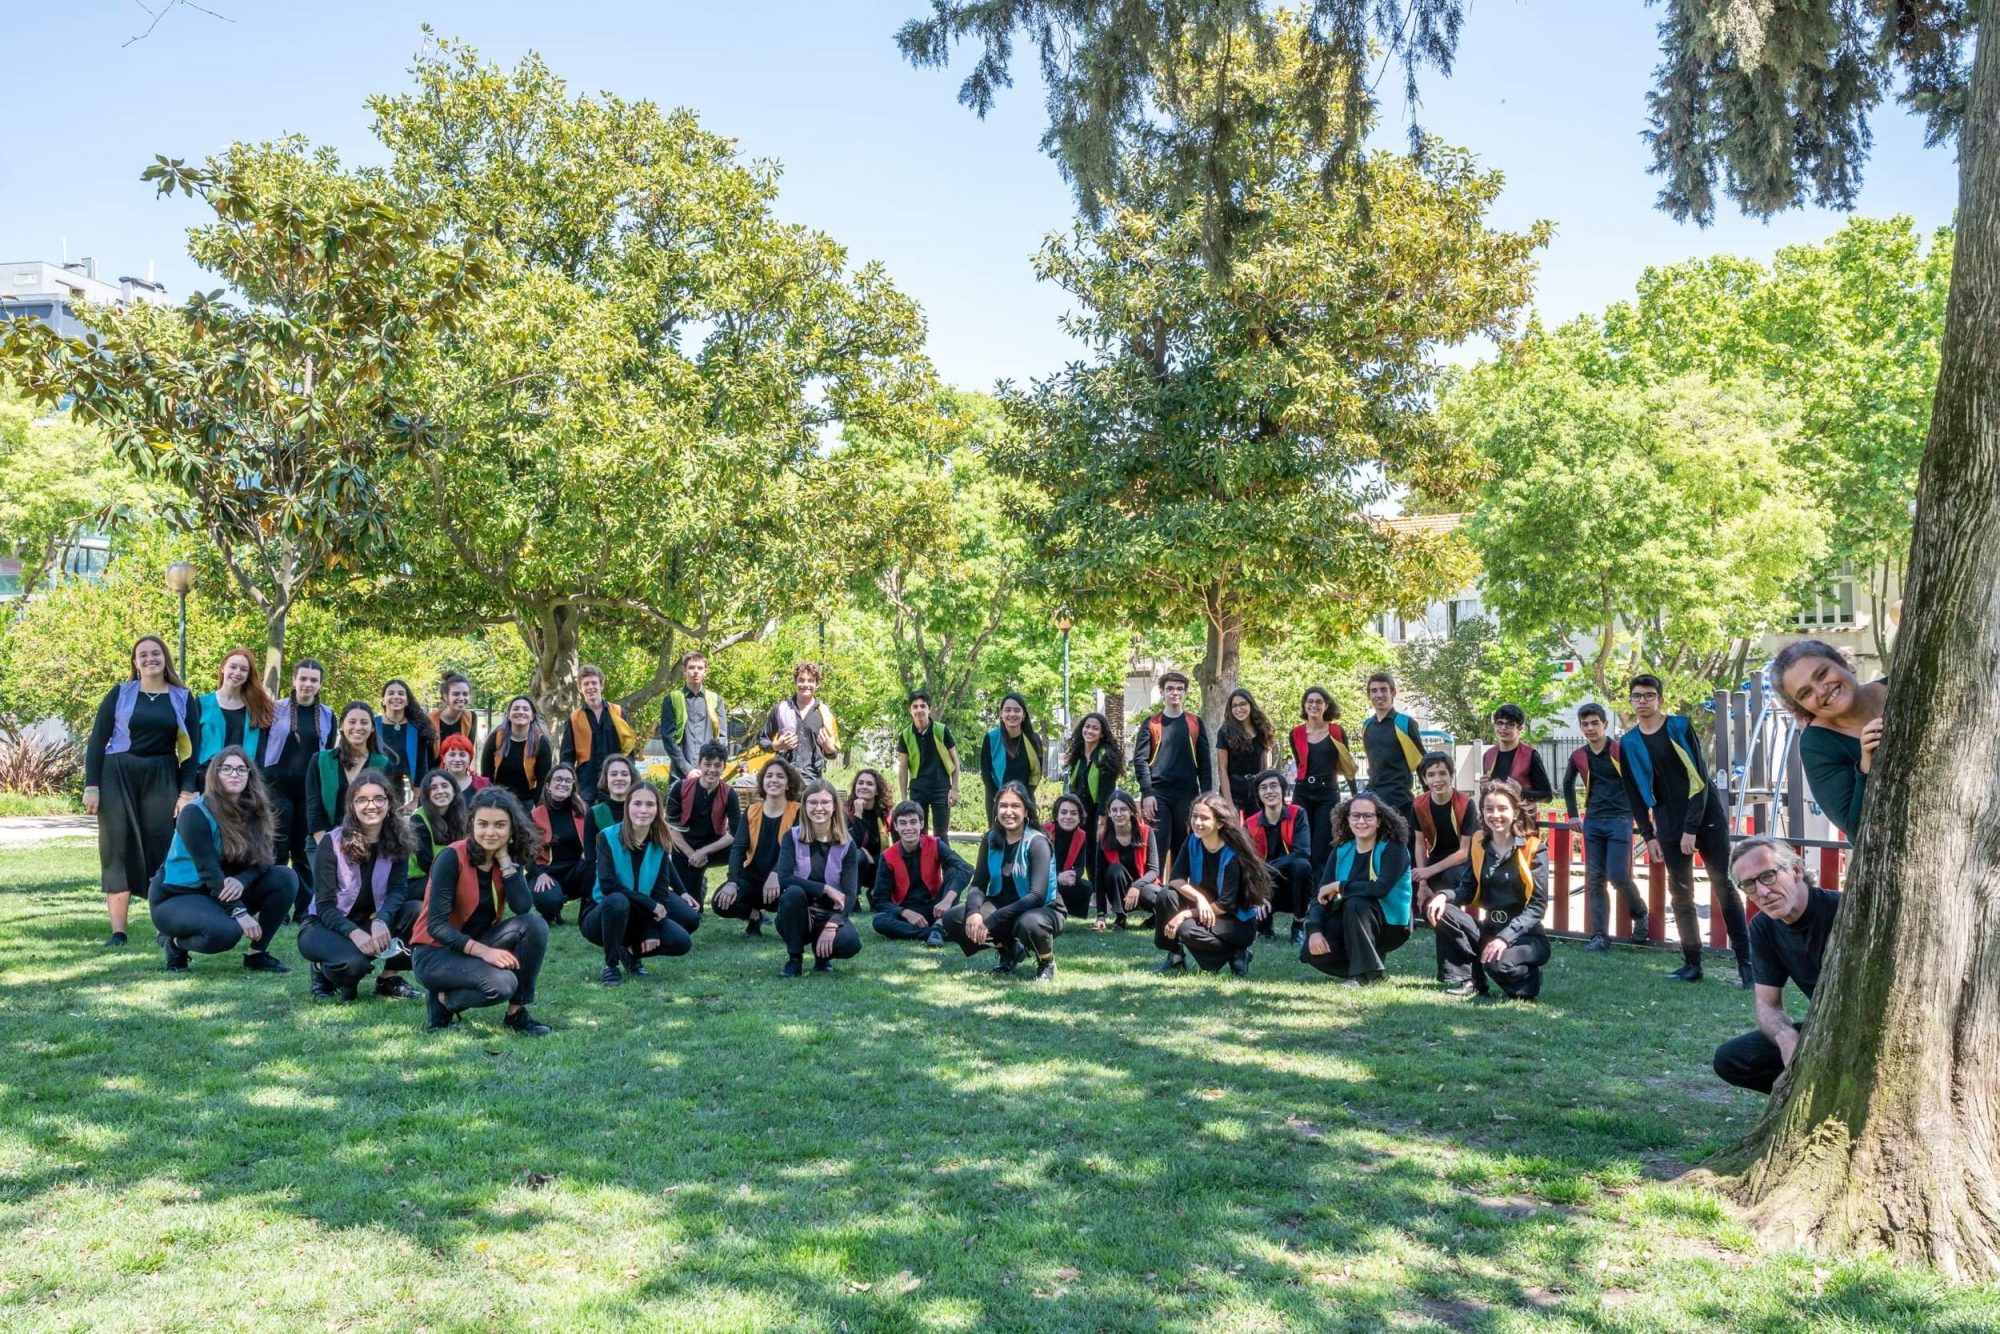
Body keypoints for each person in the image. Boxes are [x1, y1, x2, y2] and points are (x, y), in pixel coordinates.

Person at [1620, 673, 1751, 985]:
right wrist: (1649, 835)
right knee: (1680, 894)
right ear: (1631, 700)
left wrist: (1691, 828)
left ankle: (1747, 963)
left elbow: (1700, 778)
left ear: (1660, 699)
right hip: (1667, 822)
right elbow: (1634, 794)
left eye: (1649, 695)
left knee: (1724, 888)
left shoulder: (1679, 726)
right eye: (1637, 696)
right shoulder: (1628, 743)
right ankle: (1692, 963)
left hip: (1705, 816)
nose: (1642, 701)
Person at [84, 635, 201, 946]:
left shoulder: (182, 697)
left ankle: (164, 927)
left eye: (156, 653)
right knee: (116, 848)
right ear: (135, 662)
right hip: (117, 776)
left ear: (165, 658)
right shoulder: (119, 694)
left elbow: (192, 750)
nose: (150, 659)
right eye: (143, 655)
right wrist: (91, 786)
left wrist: (187, 792)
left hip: (163, 776)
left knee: (163, 847)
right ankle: (118, 932)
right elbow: (97, 741)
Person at [411, 788, 552, 1036]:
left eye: (500, 825)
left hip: (474, 942)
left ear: (511, 829)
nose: (490, 832)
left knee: (534, 925)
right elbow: (436, 926)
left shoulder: (507, 858)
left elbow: (522, 907)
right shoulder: (451, 857)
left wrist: (506, 860)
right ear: (472, 824)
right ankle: (443, 1002)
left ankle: (516, 1015)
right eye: (483, 824)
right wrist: (485, 952)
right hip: (435, 953)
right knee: (503, 984)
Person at [148, 746, 297, 975]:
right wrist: (239, 913)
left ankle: (257, 955)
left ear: (250, 774)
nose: (234, 774)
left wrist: (243, 880)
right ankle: (174, 944)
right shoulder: (194, 813)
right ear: (214, 775)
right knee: (226, 933)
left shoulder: (254, 810)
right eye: (226, 769)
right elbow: (209, 870)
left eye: (240, 769)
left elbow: (265, 860)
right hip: (177, 897)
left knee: (285, 878)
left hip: (217, 892)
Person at [1712, 836, 1842, 1095]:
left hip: (1871, 1029)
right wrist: (1785, 1037)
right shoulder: (1763, 927)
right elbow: (1768, 1005)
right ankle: (1811, 1100)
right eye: (1748, 885)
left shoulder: (1842, 912)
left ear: (1795, 871)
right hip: (1825, 1027)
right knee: (1731, 1059)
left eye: (1768, 876)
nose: (1761, 892)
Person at [299, 769, 424, 1002]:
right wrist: (354, 933)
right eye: (362, 800)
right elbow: (325, 905)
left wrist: (381, 920)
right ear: (352, 805)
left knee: (416, 911)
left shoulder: (398, 840)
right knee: (356, 965)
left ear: (389, 803)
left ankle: (389, 978)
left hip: (367, 920)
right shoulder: (331, 842)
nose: (371, 805)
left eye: (379, 798)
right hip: (324, 924)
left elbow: (398, 890)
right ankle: (321, 970)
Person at [1424, 779, 1551, 1000]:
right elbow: (1467, 890)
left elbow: (1537, 906)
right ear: (1482, 812)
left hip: (1526, 936)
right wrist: (1444, 895)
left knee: (1497, 964)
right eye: (1489, 809)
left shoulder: (1534, 848)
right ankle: (1473, 980)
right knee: (1441, 910)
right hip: (1489, 928)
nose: (1495, 815)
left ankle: (1530, 980)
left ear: (1515, 811)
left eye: (1502, 808)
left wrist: (1504, 938)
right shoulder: (1478, 843)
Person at [943, 781, 1061, 982]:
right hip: (1003, 903)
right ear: (996, 809)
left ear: (1026, 811)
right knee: (953, 919)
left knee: (1029, 924)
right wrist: (973, 913)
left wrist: (990, 921)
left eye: (1015, 806)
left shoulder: (1038, 842)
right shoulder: (990, 838)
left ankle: (1046, 961)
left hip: (1042, 908)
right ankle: (1010, 950)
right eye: (1003, 806)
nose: (1009, 811)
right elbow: (979, 883)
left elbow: (1037, 896)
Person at [1771, 639, 1885, 844]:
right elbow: (1857, 830)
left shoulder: (1904, 685)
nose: (1821, 691)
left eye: (1822, 674)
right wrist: (1867, 766)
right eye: (1805, 693)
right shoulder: (1817, 745)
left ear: (1843, 663)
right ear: (1799, 707)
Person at [585, 780, 695, 985]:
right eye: (637, 804)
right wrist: (651, 905)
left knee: (681, 942)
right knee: (618, 900)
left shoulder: (660, 842)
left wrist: (649, 929)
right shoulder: (606, 837)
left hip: (639, 914)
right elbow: (608, 885)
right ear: (627, 807)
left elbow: (660, 891)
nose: (643, 810)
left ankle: (630, 952)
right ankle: (611, 966)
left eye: (650, 804)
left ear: (657, 809)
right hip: (603, 913)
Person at [1299, 793, 1413, 985]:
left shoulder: (1394, 848)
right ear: (1347, 819)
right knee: (1310, 951)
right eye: (1355, 816)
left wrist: (1340, 886)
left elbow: (1380, 889)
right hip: (1350, 921)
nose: (1361, 821)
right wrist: (1314, 930)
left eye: (1368, 816)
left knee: (1356, 902)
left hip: (1391, 925)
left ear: (1379, 820)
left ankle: (1363, 974)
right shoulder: (1341, 850)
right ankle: (1369, 966)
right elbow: (1321, 895)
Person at [1152, 791, 1270, 976]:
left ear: (1219, 823)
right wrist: (1199, 898)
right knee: (1166, 895)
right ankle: (1175, 957)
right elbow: (1176, 879)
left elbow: (1226, 904)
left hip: (1234, 921)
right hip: (1206, 909)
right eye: (1195, 816)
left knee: (1187, 930)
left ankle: (1237, 953)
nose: (1197, 822)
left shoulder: (1233, 855)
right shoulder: (1192, 841)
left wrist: (1185, 914)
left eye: (1204, 818)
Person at [1563, 703, 1648, 950]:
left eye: (1595, 723)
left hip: (1620, 819)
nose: (1590, 728)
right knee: (1595, 879)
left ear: (1605, 724)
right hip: (1593, 822)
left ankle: (1640, 913)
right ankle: (1600, 935)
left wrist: (1645, 818)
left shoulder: (1620, 751)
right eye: (1585, 724)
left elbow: (1640, 781)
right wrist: (1572, 815)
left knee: (1618, 875)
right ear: (1580, 727)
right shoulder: (1579, 755)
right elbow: (1567, 784)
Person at [257, 659, 332, 918]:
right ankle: (276, 907)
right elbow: (262, 747)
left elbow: (330, 756)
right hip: (276, 787)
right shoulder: (274, 709)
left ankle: (303, 910)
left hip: (310, 791)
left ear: (320, 683)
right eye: (303, 678)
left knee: (303, 851)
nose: (308, 684)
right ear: (294, 680)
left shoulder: (328, 714)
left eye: (314, 680)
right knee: (278, 849)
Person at [775, 779, 863, 976]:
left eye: (825, 802)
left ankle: (823, 957)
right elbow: (785, 878)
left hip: (828, 913)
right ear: (805, 806)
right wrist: (825, 888)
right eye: (813, 802)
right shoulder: (792, 836)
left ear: (834, 807)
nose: (819, 808)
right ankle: (794, 959)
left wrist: (834, 924)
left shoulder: (847, 845)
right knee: (793, 893)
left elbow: (850, 893)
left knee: (850, 943)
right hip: (799, 913)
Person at [1131, 671, 1213, 875]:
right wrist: (1147, 792)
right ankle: (1154, 890)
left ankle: (1178, 890)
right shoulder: (1152, 723)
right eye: (1170, 689)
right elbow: (1140, 761)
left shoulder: (1195, 723)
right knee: (1158, 843)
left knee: (1183, 843)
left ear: (1185, 692)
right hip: (1158, 795)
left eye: (1179, 689)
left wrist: (1206, 797)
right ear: (1162, 692)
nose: (1174, 693)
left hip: (1188, 794)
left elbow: (1204, 763)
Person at [713, 758, 803, 934]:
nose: (773, 780)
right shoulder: (752, 810)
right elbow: (738, 849)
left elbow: (796, 849)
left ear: (788, 784)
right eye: (769, 776)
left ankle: (784, 922)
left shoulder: (798, 810)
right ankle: (754, 916)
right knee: (720, 902)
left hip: (784, 878)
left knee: (795, 899)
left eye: (780, 776)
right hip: (752, 878)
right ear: (763, 781)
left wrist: (776, 873)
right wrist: (732, 882)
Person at [871, 801, 972, 945]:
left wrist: (947, 900)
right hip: (908, 911)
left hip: (937, 906)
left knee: (954, 870)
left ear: (921, 824)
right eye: (903, 823)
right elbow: (880, 901)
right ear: (896, 826)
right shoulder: (887, 856)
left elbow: (966, 868)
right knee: (879, 921)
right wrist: (905, 912)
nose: (909, 828)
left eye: (913, 822)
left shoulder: (935, 844)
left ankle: (939, 924)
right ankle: (935, 931)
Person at [1288, 686, 1359, 867]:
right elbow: (1300, 764)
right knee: (1302, 842)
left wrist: (1355, 795)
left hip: (1328, 791)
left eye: (1319, 702)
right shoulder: (1295, 733)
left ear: (1326, 705)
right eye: (1310, 701)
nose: (1314, 705)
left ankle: (1321, 890)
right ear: (1304, 706)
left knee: (1322, 845)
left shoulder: (1336, 731)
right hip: (1302, 791)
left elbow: (1347, 763)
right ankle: (1303, 887)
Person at [1245, 770, 1315, 944]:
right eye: (1263, 788)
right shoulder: (1250, 823)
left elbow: (1302, 852)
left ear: (1283, 790)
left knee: (1302, 865)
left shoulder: (1298, 813)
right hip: (1265, 885)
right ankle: (1265, 928)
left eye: (1273, 786)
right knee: (1253, 873)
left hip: (1293, 884)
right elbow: (1246, 861)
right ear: (1258, 795)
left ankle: (1298, 925)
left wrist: (1267, 868)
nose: (1269, 791)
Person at [667, 742, 740, 907]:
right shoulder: (680, 787)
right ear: (699, 764)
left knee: (746, 853)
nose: (712, 770)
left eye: (717, 765)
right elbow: (672, 826)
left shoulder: (729, 794)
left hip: (715, 847)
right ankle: (699, 884)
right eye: (707, 764)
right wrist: (692, 853)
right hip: (684, 848)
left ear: (724, 767)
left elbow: (736, 833)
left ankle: (752, 911)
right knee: (690, 906)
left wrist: (703, 852)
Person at [308, 703, 391, 842]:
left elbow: (387, 808)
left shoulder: (383, 764)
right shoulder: (320, 760)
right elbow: (313, 807)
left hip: (369, 839)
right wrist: (326, 847)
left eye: (364, 722)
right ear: (341, 726)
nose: (358, 727)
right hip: (324, 838)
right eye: (352, 722)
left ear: (372, 728)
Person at [562, 663, 640, 802]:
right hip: (586, 785)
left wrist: (628, 779)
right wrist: (569, 784)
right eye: (586, 684)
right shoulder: (574, 718)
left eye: (594, 683)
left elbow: (629, 752)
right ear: (580, 688)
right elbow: (567, 756)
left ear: (601, 686)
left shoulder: (619, 712)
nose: (590, 687)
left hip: (615, 784)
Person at [1360, 672, 1425, 841]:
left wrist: (1428, 797)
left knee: (1402, 848)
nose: (1379, 695)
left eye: (1383, 690)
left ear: (1393, 693)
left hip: (1400, 798)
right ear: (1369, 695)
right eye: (1374, 691)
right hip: (1373, 798)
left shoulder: (1405, 723)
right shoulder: (1367, 726)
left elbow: (1421, 763)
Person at [529, 762, 595, 924]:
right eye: (558, 779)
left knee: (595, 864)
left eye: (568, 781)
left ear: (573, 787)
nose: (563, 784)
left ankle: (585, 912)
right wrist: (540, 874)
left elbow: (595, 843)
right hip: (547, 873)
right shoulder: (535, 815)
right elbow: (524, 854)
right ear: (548, 785)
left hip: (576, 872)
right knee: (549, 901)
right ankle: (552, 910)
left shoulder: (584, 812)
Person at [1061, 711, 1122, 874]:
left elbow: (1107, 790)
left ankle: (1099, 892)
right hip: (1080, 811)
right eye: (1087, 727)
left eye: (1095, 728)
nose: (1090, 731)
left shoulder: (1106, 756)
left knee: (1096, 852)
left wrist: (1103, 817)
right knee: (1081, 850)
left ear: (1102, 734)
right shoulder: (1078, 755)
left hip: (1098, 811)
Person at [761, 661, 840, 783]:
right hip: (783, 782)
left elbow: (834, 753)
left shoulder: (825, 713)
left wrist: (829, 749)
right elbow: (762, 741)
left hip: (812, 783)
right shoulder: (781, 709)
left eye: (810, 680)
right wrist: (776, 746)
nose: (805, 684)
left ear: (817, 684)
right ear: (795, 682)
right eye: (801, 680)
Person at [1411, 753, 1473, 906]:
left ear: (1451, 776)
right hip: (1435, 858)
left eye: (1443, 773)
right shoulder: (1418, 804)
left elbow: (1465, 852)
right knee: (1421, 888)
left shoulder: (1466, 804)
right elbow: (1420, 844)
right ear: (1425, 779)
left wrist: (1430, 870)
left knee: (1449, 878)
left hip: (1462, 862)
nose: (1437, 780)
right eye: (1431, 775)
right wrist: (1423, 881)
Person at [896, 690, 960, 835]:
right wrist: (904, 798)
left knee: (941, 836)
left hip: (941, 788)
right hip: (918, 789)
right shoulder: (905, 735)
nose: (919, 710)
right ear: (910, 711)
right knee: (918, 834)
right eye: (915, 706)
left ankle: (941, 858)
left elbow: (955, 761)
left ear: (929, 709)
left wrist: (954, 789)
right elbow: (903, 768)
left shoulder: (942, 730)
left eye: (923, 706)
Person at [1097, 789, 1162, 931]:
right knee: (1114, 869)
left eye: (1123, 809)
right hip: (1118, 888)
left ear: (1132, 811)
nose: (1118, 814)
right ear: (1109, 813)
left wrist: (1136, 886)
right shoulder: (1103, 838)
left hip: (1143, 886)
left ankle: (1155, 919)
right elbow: (1099, 879)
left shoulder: (1146, 832)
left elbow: (1154, 871)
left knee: (1160, 898)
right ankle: (1120, 917)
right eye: (1114, 810)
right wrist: (1100, 916)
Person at [195, 647, 273, 764]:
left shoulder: (257, 707)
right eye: (233, 667)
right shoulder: (201, 704)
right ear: (223, 668)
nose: (237, 673)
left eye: (243, 669)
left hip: (246, 777)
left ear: (248, 674)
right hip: (207, 777)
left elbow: (263, 751)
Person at [659, 650, 728, 781]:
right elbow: (668, 738)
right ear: (684, 671)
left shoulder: (716, 700)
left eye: (700, 668)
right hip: (680, 774)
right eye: (691, 667)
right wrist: (687, 769)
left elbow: (722, 737)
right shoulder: (672, 700)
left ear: (705, 672)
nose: (695, 671)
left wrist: (715, 767)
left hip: (710, 773)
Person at [978, 693, 1045, 821]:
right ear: (1001, 715)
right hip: (996, 798)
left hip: (1025, 799)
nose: (1012, 714)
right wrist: (999, 797)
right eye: (1007, 710)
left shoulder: (1033, 739)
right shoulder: (991, 738)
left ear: (1024, 715)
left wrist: (1023, 797)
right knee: (997, 838)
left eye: (1017, 710)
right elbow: (986, 774)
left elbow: (1037, 773)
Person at [481, 695, 552, 805]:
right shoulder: (496, 738)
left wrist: (537, 807)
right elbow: (486, 775)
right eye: (516, 708)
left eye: (525, 709)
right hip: (498, 800)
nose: (520, 712)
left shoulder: (541, 742)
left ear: (532, 716)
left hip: (527, 801)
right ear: (509, 715)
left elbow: (543, 781)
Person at [374, 678, 437, 798]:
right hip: (373, 786)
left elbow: (421, 766)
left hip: (399, 791)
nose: (396, 696)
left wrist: (415, 800)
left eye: (401, 693)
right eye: (391, 693)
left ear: (407, 701)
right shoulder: (372, 725)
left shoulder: (417, 728)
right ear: (383, 700)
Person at [1217, 688, 1275, 812]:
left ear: (1251, 705)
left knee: (1257, 830)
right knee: (1232, 830)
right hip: (1233, 788)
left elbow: (1265, 767)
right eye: (1234, 706)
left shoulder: (1262, 730)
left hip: (1256, 788)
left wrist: (1265, 793)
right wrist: (1229, 804)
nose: (1239, 709)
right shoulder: (1225, 732)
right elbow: (1222, 769)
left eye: (1243, 704)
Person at [1483, 704, 1554, 805]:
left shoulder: (1530, 755)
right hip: (1495, 817)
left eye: (1510, 724)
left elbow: (1547, 796)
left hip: (1522, 818)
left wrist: (1522, 793)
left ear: (1520, 728)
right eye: (1499, 723)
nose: (1503, 728)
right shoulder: (1488, 755)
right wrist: (1484, 787)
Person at [847, 767, 892, 910]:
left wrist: (875, 857)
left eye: (869, 784)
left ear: (877, 790)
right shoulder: (845, 813)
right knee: (858, 855)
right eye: (860, 783)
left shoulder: (886, 814)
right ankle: (852, 896)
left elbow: (898, 845)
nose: (864, 786)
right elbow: (851, 846)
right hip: (853, 867)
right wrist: (858, 814)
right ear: (855, 787)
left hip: (878, 865)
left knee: (886, 858)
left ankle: (875, 893)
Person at [1045, 792, 1095, 919]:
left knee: (1086, 886)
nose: (1068, 816)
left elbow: (1080, 867)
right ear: (1056, 815)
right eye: (1063, 812)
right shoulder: (1044, 832)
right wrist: (1057, 875)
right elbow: (1039, 866)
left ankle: (1064, 912)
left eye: (1073, 813)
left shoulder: (1081, 836)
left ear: (1079, 817)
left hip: (1065, 878)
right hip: (1044, 877)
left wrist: (1073, 875)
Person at [411, 768, 467, 875]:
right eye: (433, 788)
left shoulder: (460, 815)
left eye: (445, 786)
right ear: (427, 794)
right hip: (420, 879)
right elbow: (426, 864)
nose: (440, 791)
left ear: (454, 791)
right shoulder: (418, 818)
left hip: (449, 874)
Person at [589, 753, 637, 837]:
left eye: (624, 774)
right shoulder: (594, 813)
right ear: (606, 778)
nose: (619, 778)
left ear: (631, 778)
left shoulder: (641, 811)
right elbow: (590, 849)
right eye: (613, 774)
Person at [429, 673, 476, 752]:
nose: (461, 698)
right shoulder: (430, 720)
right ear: (446, 697)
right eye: (456, 694)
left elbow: (469, 751)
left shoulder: (471, 717)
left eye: (465, 694)